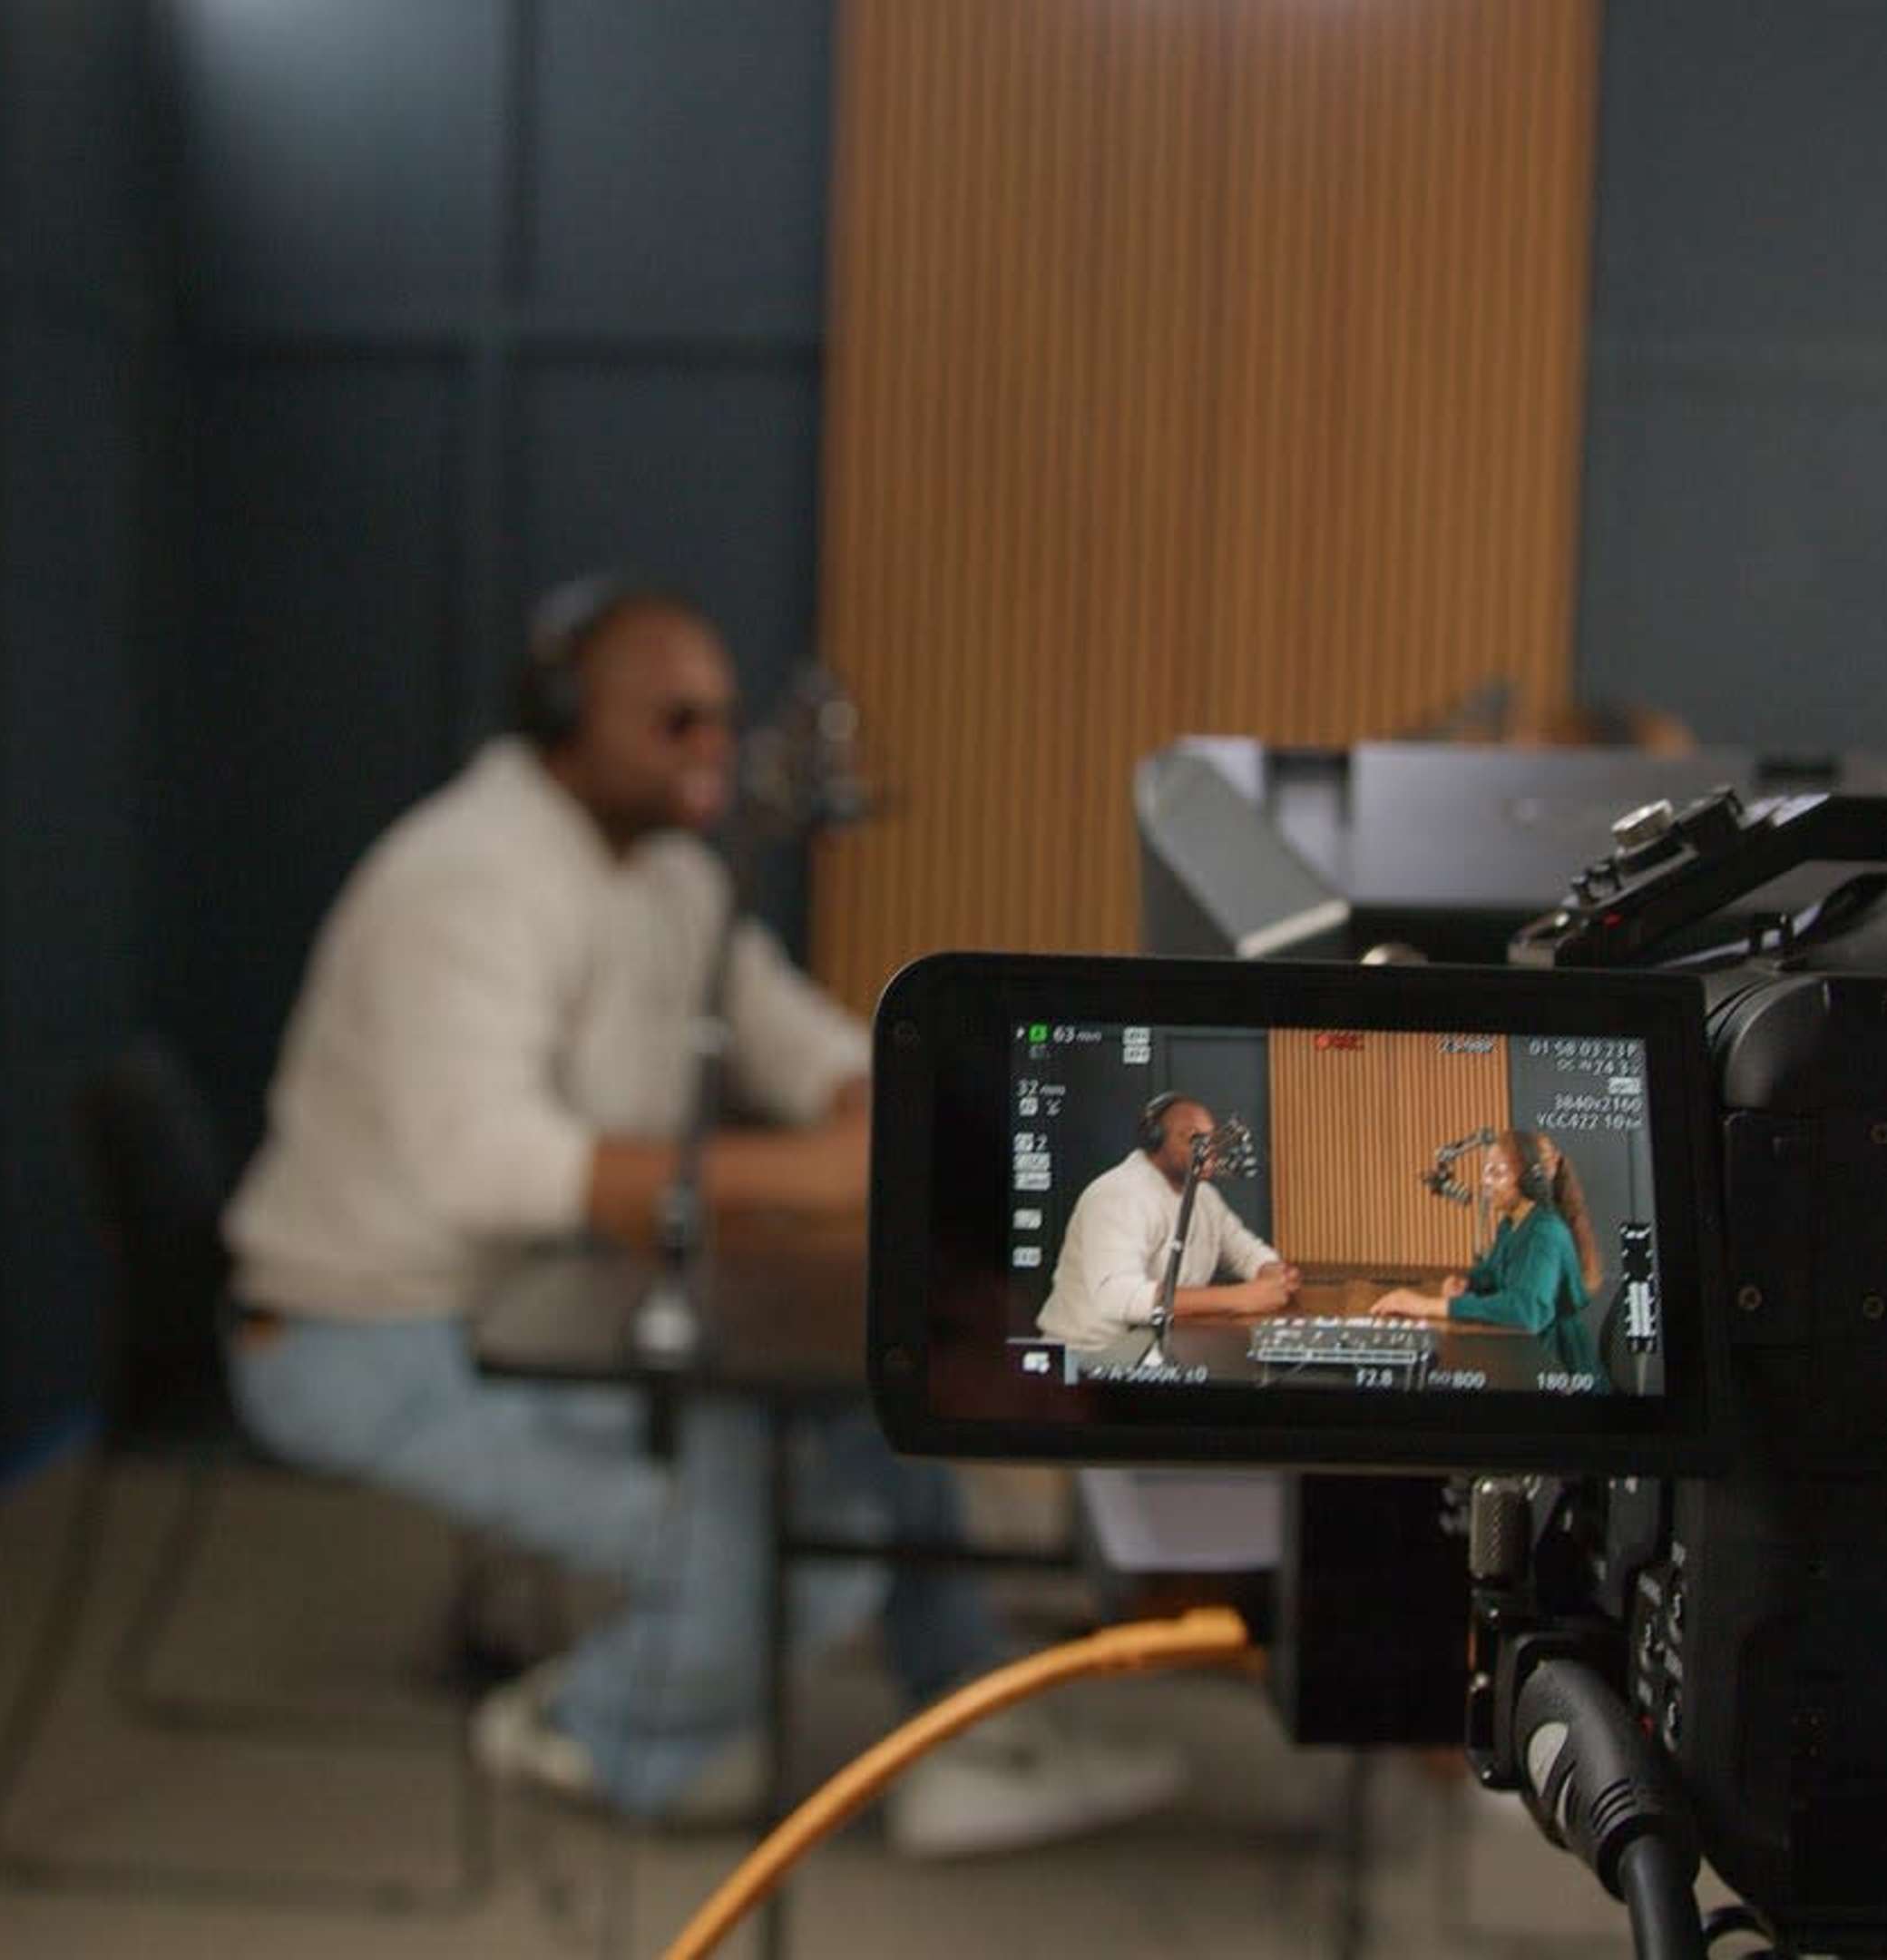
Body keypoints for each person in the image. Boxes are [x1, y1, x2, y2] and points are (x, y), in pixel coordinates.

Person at [221, 574, 1184, 1852]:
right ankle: (605, 1729)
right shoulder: (463, 877)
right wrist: (799, 1177)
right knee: (768, 1543)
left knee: (869, 1419)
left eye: (722, 721)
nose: (711, 752)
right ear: (568, 714)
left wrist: (885, 1098)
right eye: (673, 722)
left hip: (555, 1308)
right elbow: (484, 1167)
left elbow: (796, 1040)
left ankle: (955, 1736)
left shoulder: (669, 880)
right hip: (370, 1338)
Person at [1038, 1093, 1300, 1357]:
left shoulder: (1204, 1197)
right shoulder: (1117, 1194)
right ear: (1155, 1141)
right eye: (1193, 1138)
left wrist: (1272, 1272)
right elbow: (1117, 1296)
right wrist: (1241, 1298)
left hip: (1160, 1349)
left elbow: (1244, 1251)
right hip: (1090, 1357)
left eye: (1210, 1137)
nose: (1208, 1148)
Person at [1372, 1128, 1605, 1385]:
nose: (1485, 1181)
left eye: (1497, 1172)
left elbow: (1527, 1310)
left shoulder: (1545, 1232)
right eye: (1486, 1171)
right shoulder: (1512, 1223)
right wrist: (1469, 1282)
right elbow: (1494, 1271)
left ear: (1528, 1179)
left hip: (1559, 1369)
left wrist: (1429, 1306)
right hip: (1526, 1356)